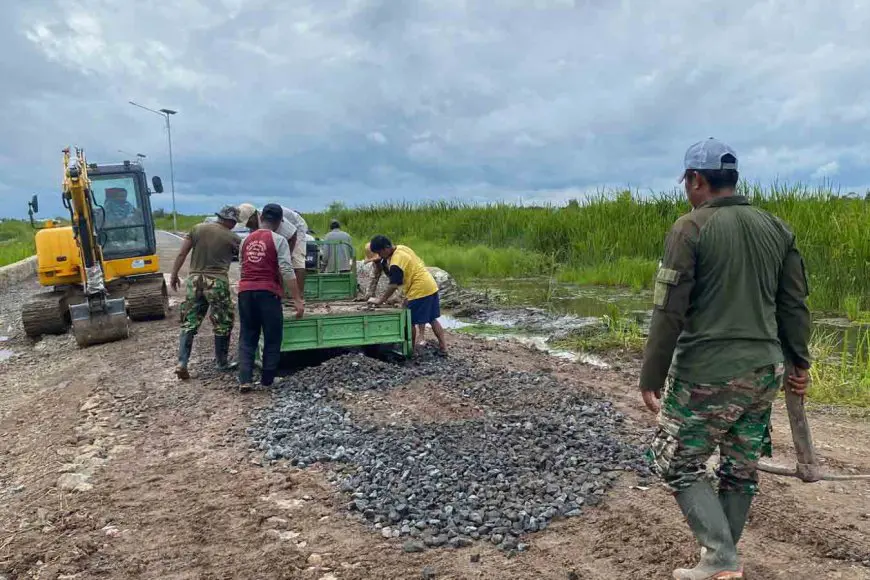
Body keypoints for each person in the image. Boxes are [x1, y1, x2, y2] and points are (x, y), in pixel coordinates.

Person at [639, 138, 811, 580]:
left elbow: (669, 308)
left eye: (687, 182)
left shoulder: (690, 228)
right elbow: (793, 305)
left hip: (708, 372)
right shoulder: (778, 228)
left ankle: (718, 557)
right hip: (764, 369)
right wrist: (799, 364)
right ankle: (724, 563)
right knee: (739, 467)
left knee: (676, 462)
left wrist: (651, 373)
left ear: (696, 180)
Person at [237, 203, 305, 393]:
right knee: (272, 337)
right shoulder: (278, 240)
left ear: (261, 218)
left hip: (245, 292)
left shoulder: (245, 241)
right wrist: (297, 299)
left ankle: (245, 379)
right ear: (279, 221)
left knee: (248, 336)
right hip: (268, 293)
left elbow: (243, 268)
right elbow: (286, 270)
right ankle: (267, 379)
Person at [169, 205, 242, 380]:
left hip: (194, 281)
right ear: (231, 221)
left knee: (190, 321)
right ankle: (221, 362)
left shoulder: (197, 228)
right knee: (223, 321)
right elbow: (244, 259)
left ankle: (182, 363)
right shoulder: (232, 237)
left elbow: (182, 253)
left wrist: (174, 275)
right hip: (217, 282)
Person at [367, 236, 447, 356]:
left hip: (419, 290)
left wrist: (381, 300)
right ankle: (443, 348)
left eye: (380, 252)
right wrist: (404, 297)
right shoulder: (402, 248)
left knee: (410, 321)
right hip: (430, 285)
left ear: (386, 248)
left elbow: (393, 285)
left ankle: (411, 350)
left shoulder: (396, 262)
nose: (380, 255)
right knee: (431, 319)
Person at [281, 207, 309, 296]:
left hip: (298, 228)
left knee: (297, 260)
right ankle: (280, 294)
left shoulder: (265, 218)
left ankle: (299, 296)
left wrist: (289, 253)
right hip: (284, 230)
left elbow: (293, 235)